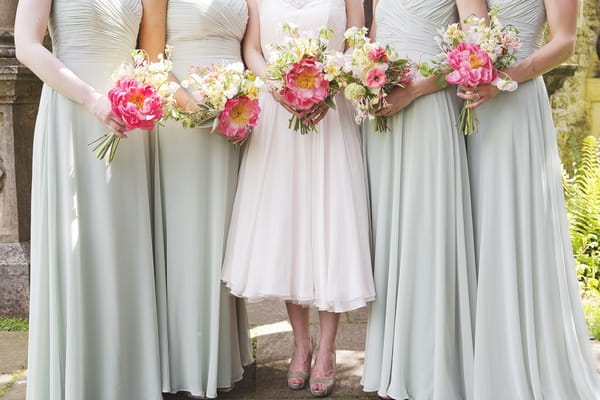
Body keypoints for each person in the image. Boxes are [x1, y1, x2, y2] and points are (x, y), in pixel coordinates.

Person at [221, 0, 375, 397]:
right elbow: (252, 49)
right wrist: (277, 89)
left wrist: (329, 87)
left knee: (330, 220)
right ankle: (301, 342)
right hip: (278, 118)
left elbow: (356, 44)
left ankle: (327, 346)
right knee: (289, 225)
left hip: (330, 114)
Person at [14, 0, 165, 399]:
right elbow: (26, 45)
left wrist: (140, 96)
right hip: (73, 112)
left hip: (126, 119)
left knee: (122, 246)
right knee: (76, 245)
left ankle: (127, 382)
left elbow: (147, 52)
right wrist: (91, 99)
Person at [459, 0, 600, 398]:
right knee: (475, 221)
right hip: (471, 105)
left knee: (511, 219)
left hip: (516, 102)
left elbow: (565, 42)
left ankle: (517, 358)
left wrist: (501, 78)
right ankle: (474, 358)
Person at [360, 1, 487, 399]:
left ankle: (433, 369)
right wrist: (364, 83)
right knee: (389, 235)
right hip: (382, 115)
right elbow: (375, 38)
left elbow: (476, 48)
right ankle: (391, 363)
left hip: (429, 108)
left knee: (426, 230)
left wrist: (414, 89)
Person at [139, 0, 254, 397]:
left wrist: (240, 106)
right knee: (190, 235)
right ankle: (187, 363)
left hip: (236, 116)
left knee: (224, 236)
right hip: (185, 117)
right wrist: (203, 111)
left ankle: (222, 352)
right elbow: (150, 57)